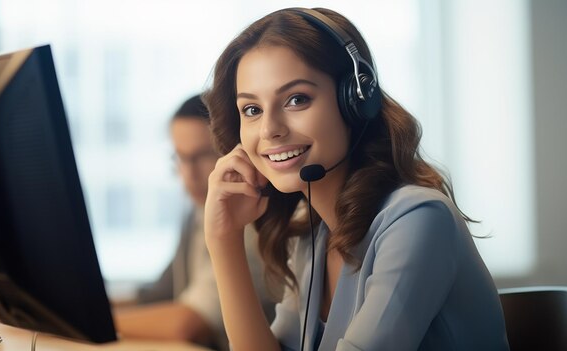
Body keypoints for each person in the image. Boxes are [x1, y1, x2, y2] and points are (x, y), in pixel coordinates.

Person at [202, 7, 510, 351]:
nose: (270, 129)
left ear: (355, 101)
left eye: (296, 99)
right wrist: (223, 239)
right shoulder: (312, 235)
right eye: (252, 110)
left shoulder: (419, 219)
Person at [114, 94, 278, 351]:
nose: (189, 176)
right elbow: (158, 294)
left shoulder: (254, 222)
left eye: (203, 156)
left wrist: (98, 324)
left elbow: (189, 322)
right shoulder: (196, 212)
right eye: (180, 158)